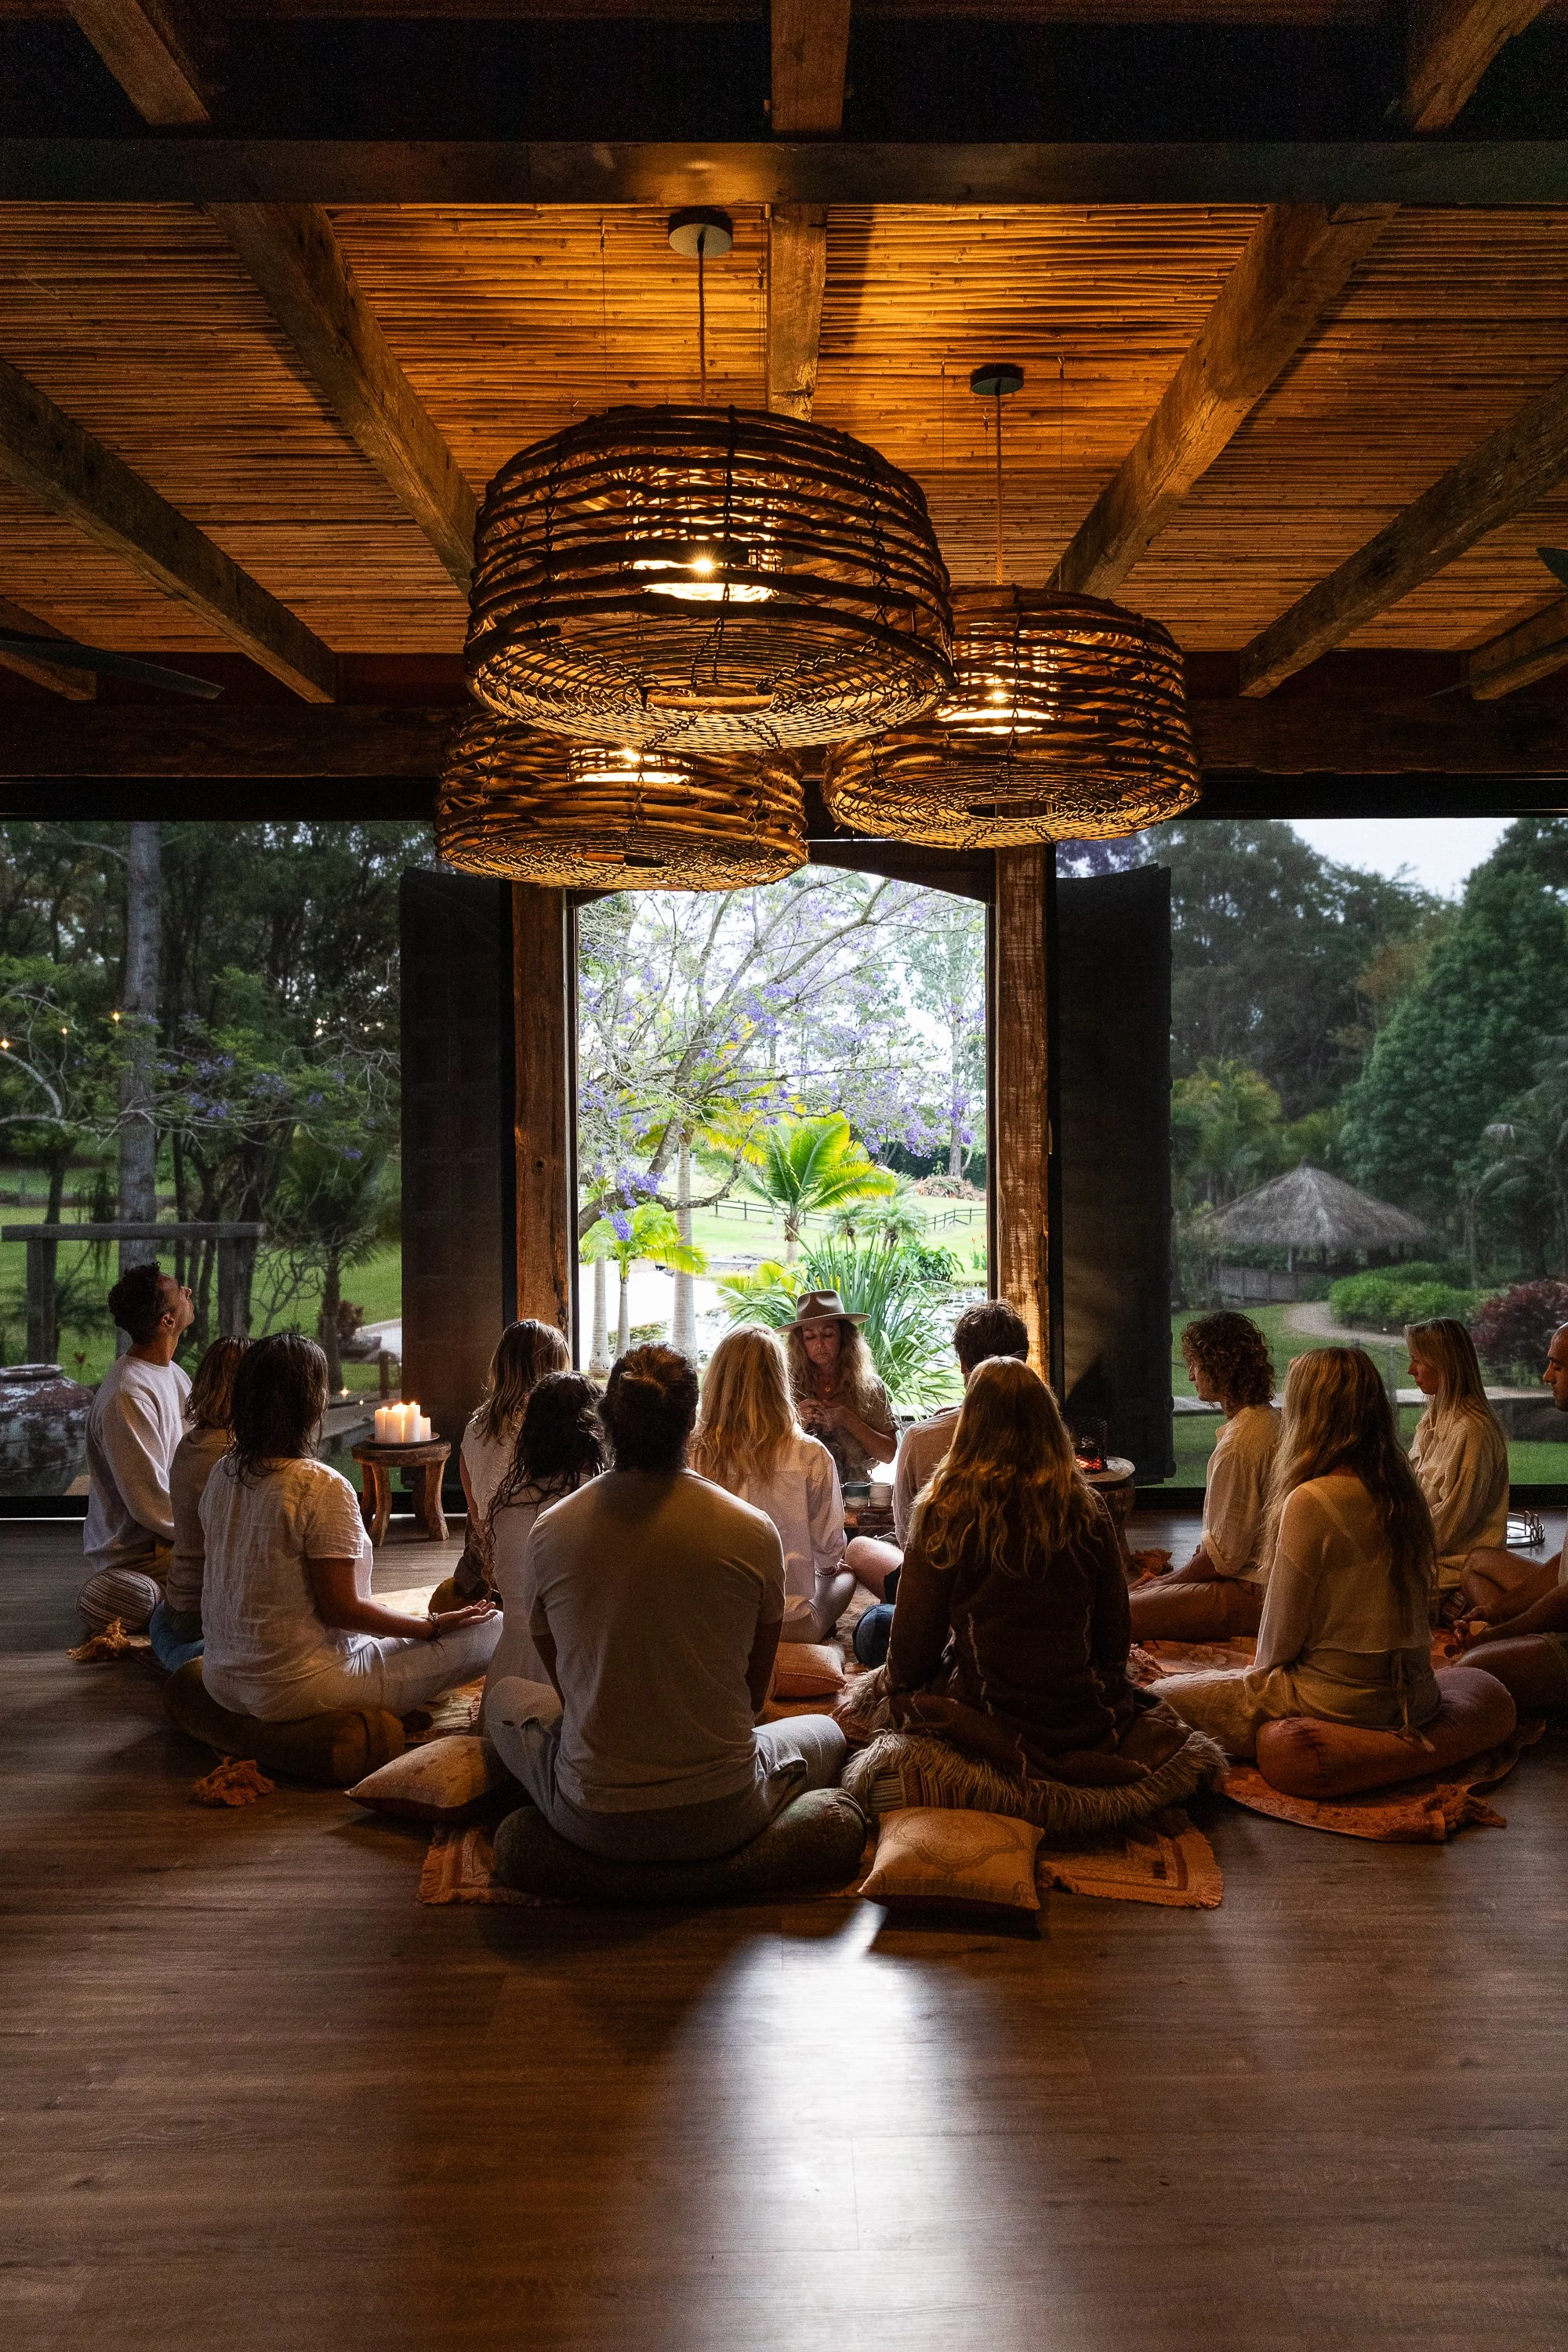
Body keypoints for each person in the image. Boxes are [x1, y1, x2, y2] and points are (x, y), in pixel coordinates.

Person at [485, 1345, 847, 1864]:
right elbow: (751, 1701)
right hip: (725, 1811)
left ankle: (553, 1846)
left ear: (607, 1419)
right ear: (691, 1419)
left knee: (504, 1702)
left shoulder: (552, 1531)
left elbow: (568, 1692)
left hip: (594, 1818)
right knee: (828, 1731)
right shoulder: (751, 1530)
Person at [840, 1356, 1216, 1826]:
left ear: (970, 1424)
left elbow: (913, 1653)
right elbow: (1113, 1636)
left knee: (875, 1641)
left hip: (988, 1708)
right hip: (1080, 1709)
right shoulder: (1086, 1506)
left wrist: (884, 1690)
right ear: (1047, 1421)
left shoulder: (945, 1510)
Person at [200, 1332, 499, 1721]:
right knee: (495, 1628)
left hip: (221, 1679)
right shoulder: (318, 1486)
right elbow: (343, 1611)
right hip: (301, 1687)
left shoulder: (222, 1473)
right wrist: (431, 1626)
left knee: (400, 1629)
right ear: (309, 1402)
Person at [1157, 1348, 1441, 1758]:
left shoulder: (1311, 1499)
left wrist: (1248, 1689)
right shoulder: (1404, 1491)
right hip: (1419, 1694)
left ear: (1312, 1413)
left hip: (1339, 1700)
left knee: (1158, 1699)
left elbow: (1277, 1647)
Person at [846, 1296, 1030, 1605]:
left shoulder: (922, 1438)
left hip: (940, 1598)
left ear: (962, 1363)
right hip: (1027, 1587)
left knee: (859, 1550)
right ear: (1023, 1360)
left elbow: (909, 1541)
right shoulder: (1050, 1433)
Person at [691, 1326, 855, 1642]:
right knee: (845, 1573)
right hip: (786, 1628)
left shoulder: (692, 1452)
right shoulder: (810, 1455)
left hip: (711, 1625)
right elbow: (829, 1555)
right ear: (780, 1382)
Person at [1128, 1312, 1279, 1640]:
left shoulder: (1239, 1446)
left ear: (1219, 1369)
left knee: (1115, 1617)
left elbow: (1222, 1561)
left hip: (1251, 1593)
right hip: (1264, 1584)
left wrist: (1167, 1582)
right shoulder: (1269, 1420)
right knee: (1130, 1597)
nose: (1191, 1377)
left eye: (1196, 1365)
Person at [481, 1371, 606, 1722]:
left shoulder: (507, 1503)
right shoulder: (600, 1503)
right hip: (573, 1674)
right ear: (596, 1435)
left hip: (509, 1670)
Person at [78, 1260, 195, 1631]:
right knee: (254, 1571)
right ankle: (131, 1595)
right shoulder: (127, 1395)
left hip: (175, 1537)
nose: (188, 1292)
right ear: (167, 1321)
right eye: (180, 1292)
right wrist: (216, 1534)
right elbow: (151, 1504)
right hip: (140, 1553)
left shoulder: (172, 1373)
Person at [1455, 1321, 1568, 1624]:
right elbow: (1564, 1567)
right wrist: (1496, 1613)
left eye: (1557, 1367)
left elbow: (1564, 1596)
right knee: (1477, 1563)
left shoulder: (1473, 1429)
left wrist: (1501, 1632)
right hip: (1562, 1590)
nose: (1546, 1377)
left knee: (1474, 1665)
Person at [147, 1334, 248, 1672]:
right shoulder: (234, 1459)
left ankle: (178, 1651)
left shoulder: (191, 1443)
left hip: (177, 1603)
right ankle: (196, 1659)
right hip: (203, 1611)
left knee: (161, 1623)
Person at [1404, 1316, 1508, 1604]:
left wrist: (1387, 1549)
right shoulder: (1433, 1419)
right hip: (1427, 1560)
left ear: (1444, 1364)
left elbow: (1444, 1529)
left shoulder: (1472, 1431)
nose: (1410, 1370)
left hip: (1451, 1569)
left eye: (1418, 1360)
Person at [459, 1319, 571, 1588]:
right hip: (529, 1562)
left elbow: (475, 1510)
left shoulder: (475, 1426)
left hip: (484, 1559)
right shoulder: (549, 1429)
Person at [783, 1290, 896, 1490]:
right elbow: (767, 1450)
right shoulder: (787, 1385)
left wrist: (848, 1419)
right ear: (800, 1342)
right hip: (798, 1490)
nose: (819, 1344)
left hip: (856, 1491)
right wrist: (796, 1422)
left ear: (844, 1336)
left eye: (828, 1335)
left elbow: (888, 1454)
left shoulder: (869, 1385)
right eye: (810, 1337)